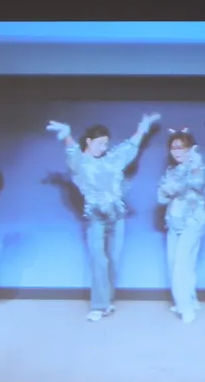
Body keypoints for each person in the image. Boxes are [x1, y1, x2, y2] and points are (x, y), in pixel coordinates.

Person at [46, 113, 160, 321]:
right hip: (96, 217)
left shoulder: (113, 158)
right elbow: (72, 153)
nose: (104, 147)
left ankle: (107, 301)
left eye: (106, 143)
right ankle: (99, 305)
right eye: (100, 143)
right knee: (99, 259)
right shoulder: (81, 162)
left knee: (113, 260)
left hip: (117, 216)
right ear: (89, 141)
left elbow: (130, 146)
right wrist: (67, 135)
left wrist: (142, 128)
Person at [154, 128, 205, 323]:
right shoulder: (170, 170)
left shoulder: (198, 167)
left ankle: (185, 306)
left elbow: (196, 183)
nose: (176, 151)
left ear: (190, 148)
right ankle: (190, 299)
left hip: (192, 222)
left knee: (182, 264)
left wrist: (174, 186)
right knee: (175, 263)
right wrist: (170, 189)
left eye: (181, 147)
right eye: (173, 147)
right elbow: (161, 197)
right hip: (173, 222)